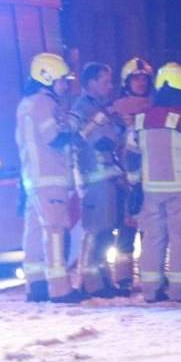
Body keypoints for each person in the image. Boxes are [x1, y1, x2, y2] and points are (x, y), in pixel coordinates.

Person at [124, 62, 181, 303]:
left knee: (153, 239)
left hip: (150, 190)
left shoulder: (141, 117)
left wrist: (135, 184)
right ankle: (179, 291)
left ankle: (151, 290)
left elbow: (131, 153)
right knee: (180, 239)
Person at [16, 52, 86, 303]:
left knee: (34, 233)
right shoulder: (45, 103)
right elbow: (54, 137)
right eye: (61, 80)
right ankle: (60, 288)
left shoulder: (26, 103)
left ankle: (36, 286)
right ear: (46, 77)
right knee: (55, 231)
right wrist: (73, 128)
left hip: (32, 178)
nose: (65, 85)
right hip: (50, 178)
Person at [71, 62, 129, 297]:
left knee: (106, 232)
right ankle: (92, 283)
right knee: (96, 231)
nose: (110, 86)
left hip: (107, 178)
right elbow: (80, 137)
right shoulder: (82, 107)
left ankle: (104, 281)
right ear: (91, 82)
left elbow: (114, 137)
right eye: (105, 81)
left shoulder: (100, 107)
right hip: (94, 180)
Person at [110, 57, 155, 291]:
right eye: (135, 78)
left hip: (152, 175)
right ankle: (124, 277)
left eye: (143, 78)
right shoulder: (117, 108)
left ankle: (152, 274)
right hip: (126, 176)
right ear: (126, 81)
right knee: (127, 228)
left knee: (151, 229)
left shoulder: (155, 106)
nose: (140, 83)